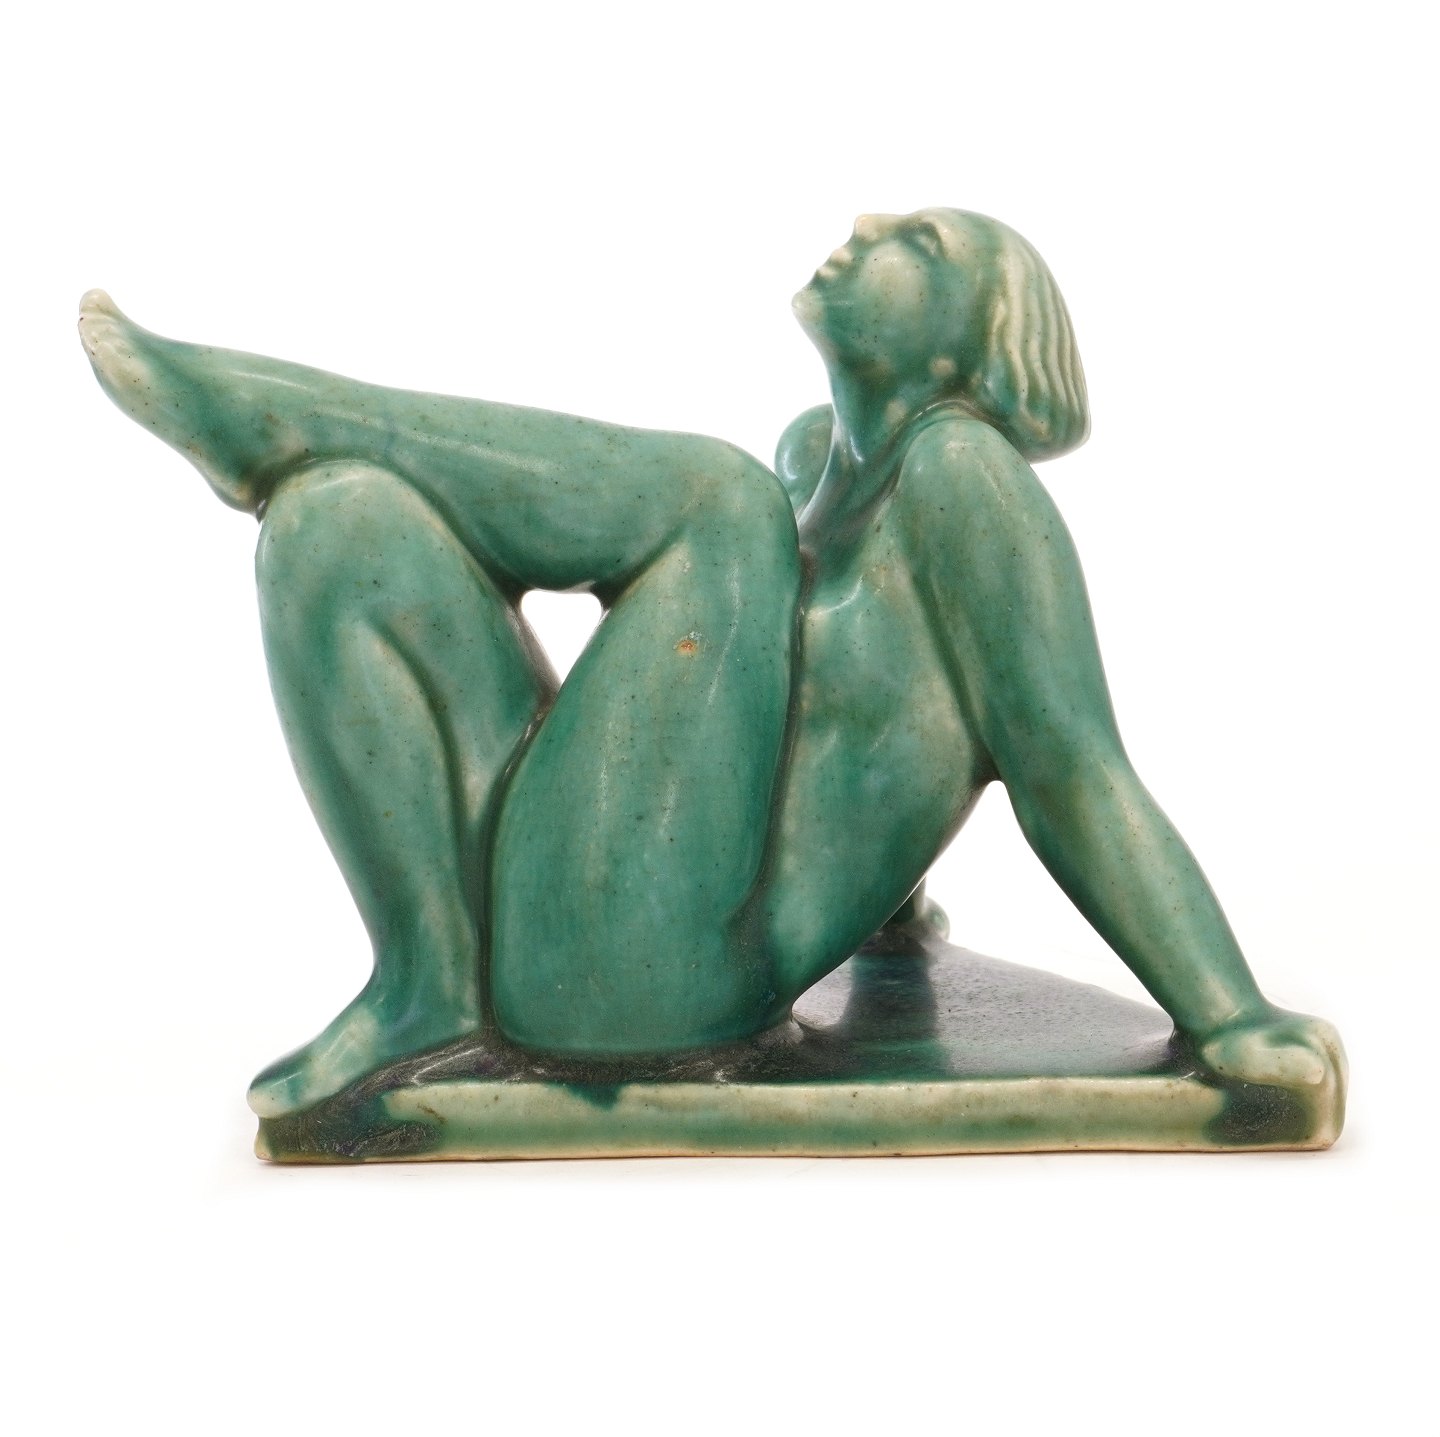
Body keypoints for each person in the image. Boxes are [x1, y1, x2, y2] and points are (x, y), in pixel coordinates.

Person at [79, 209, 1341, 1118]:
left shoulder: (965, 477)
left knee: (712, 500)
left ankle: (273, 414)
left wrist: (1230, 1017)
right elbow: (836, 727)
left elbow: (1067, 769)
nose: (869, 227)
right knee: (332, 527)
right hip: (556, 932)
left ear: (970, 351)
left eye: (922, 246)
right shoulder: (817, 464)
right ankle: (424, 984)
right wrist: (897, 922)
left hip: (658, 985)